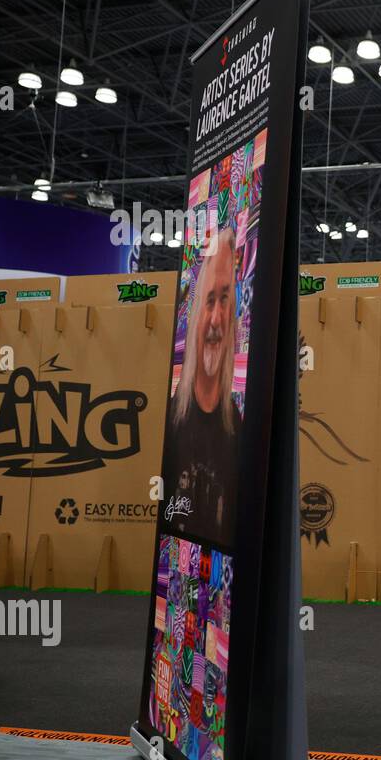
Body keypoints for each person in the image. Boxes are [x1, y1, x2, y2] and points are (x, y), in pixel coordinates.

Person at [163, 226, 242, 545]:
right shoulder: (172, 421)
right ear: (196, 314)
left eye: (225, 299)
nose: (216, 318)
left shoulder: (238, 429)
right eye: (210, 301)